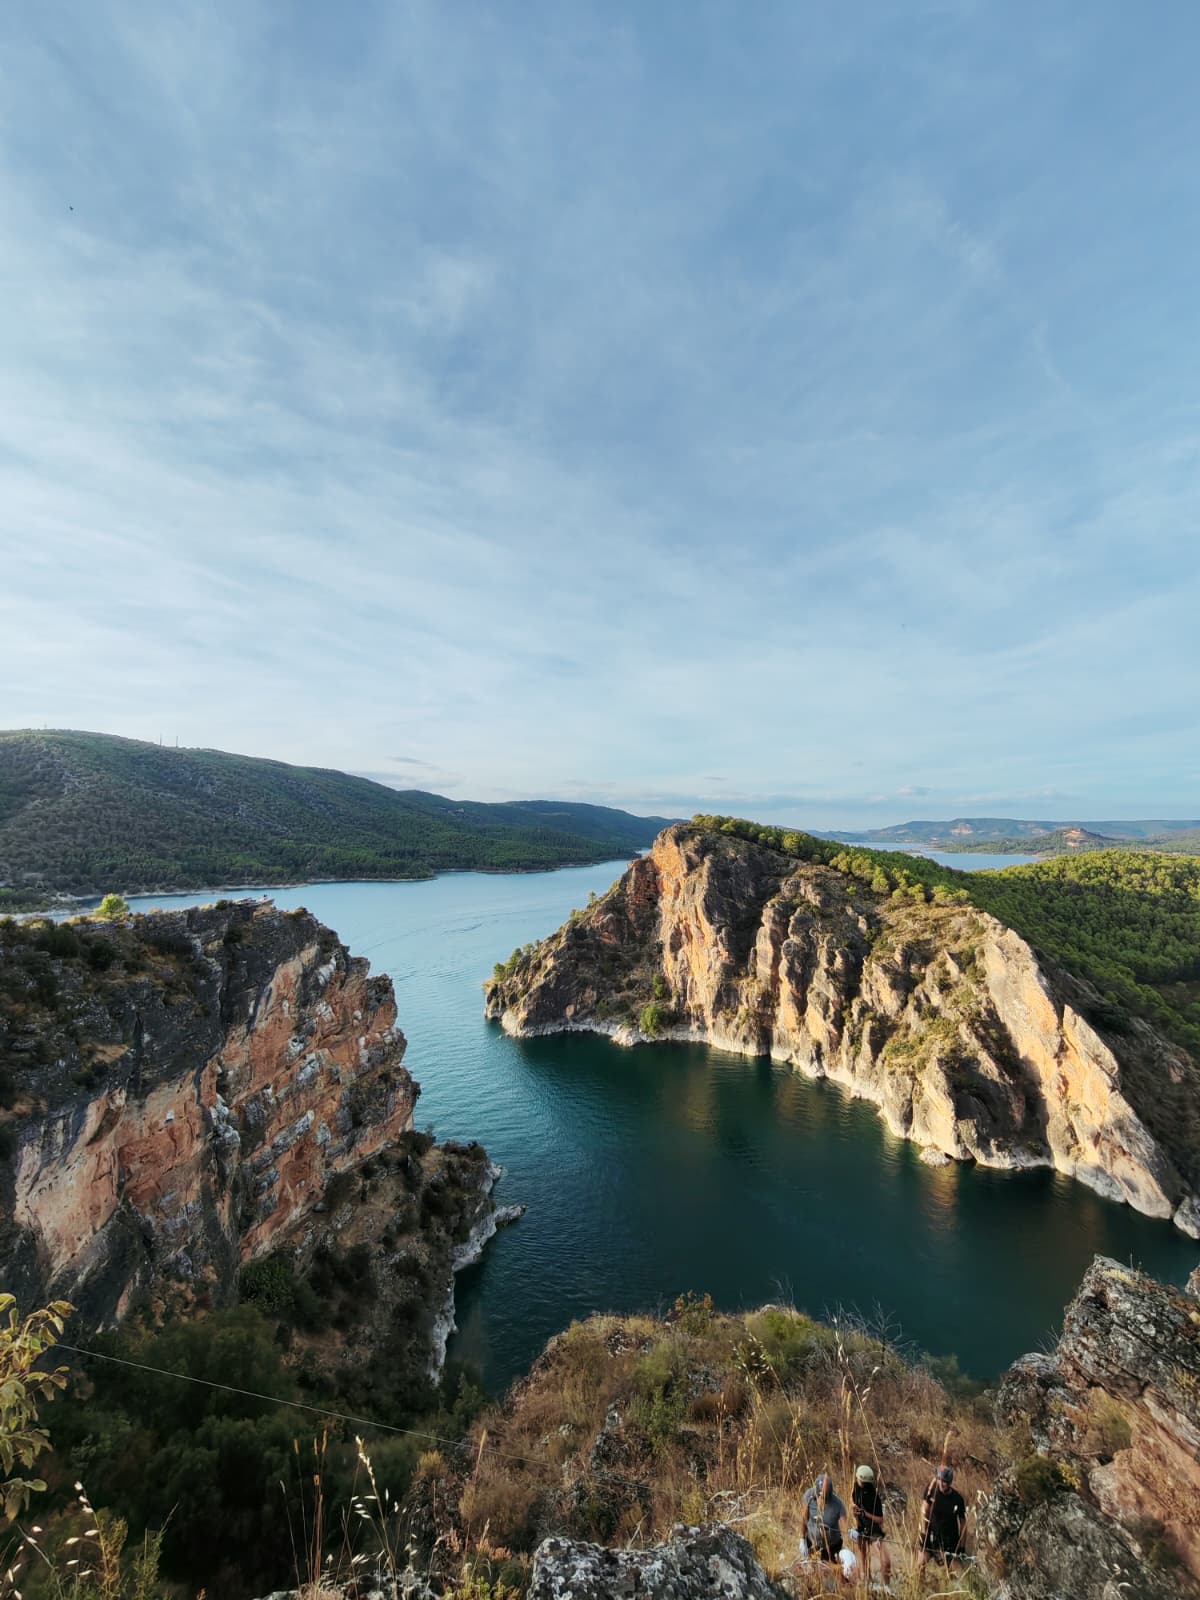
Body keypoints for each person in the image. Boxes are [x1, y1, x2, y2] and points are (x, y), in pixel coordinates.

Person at [800, 1472, 850, 1574]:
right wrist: (802, 1539)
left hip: (832, 1546)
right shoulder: (809, 1496)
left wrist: (848, 1542)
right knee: (812, 1572)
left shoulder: (838, 1504)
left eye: (824, 1497)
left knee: (829, 1572)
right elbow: (804, 1519)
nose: (821, 1500)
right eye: (820, 1496)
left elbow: (844, 1526)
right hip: (813, 1544)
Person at [918, 1465, 967, 1570]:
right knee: (920, 1564)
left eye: (944, 1481)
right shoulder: (931, 1490)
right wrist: (923, 1533)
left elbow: (963, 1523)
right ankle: (920, 1586)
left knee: (955, 1572)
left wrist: (962, 1546)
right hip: (932, 1536)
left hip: (950, 1540)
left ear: (949, 1483)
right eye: (939, 1479)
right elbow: (924, 1512)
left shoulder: (957, 1499)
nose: (941, 1483)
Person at [851, 1464, 891, 1585]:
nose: (860, 1483)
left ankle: (887, 1586)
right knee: (863, 1555)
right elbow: (852, 1500)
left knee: (885, 1560)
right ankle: (867, 1578)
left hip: (873, 1529)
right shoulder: (855, 1487)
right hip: (860, 1527)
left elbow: (880, 1520)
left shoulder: (874, 1498)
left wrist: (866, 1514)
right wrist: (854, 1511)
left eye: (862, 1482)